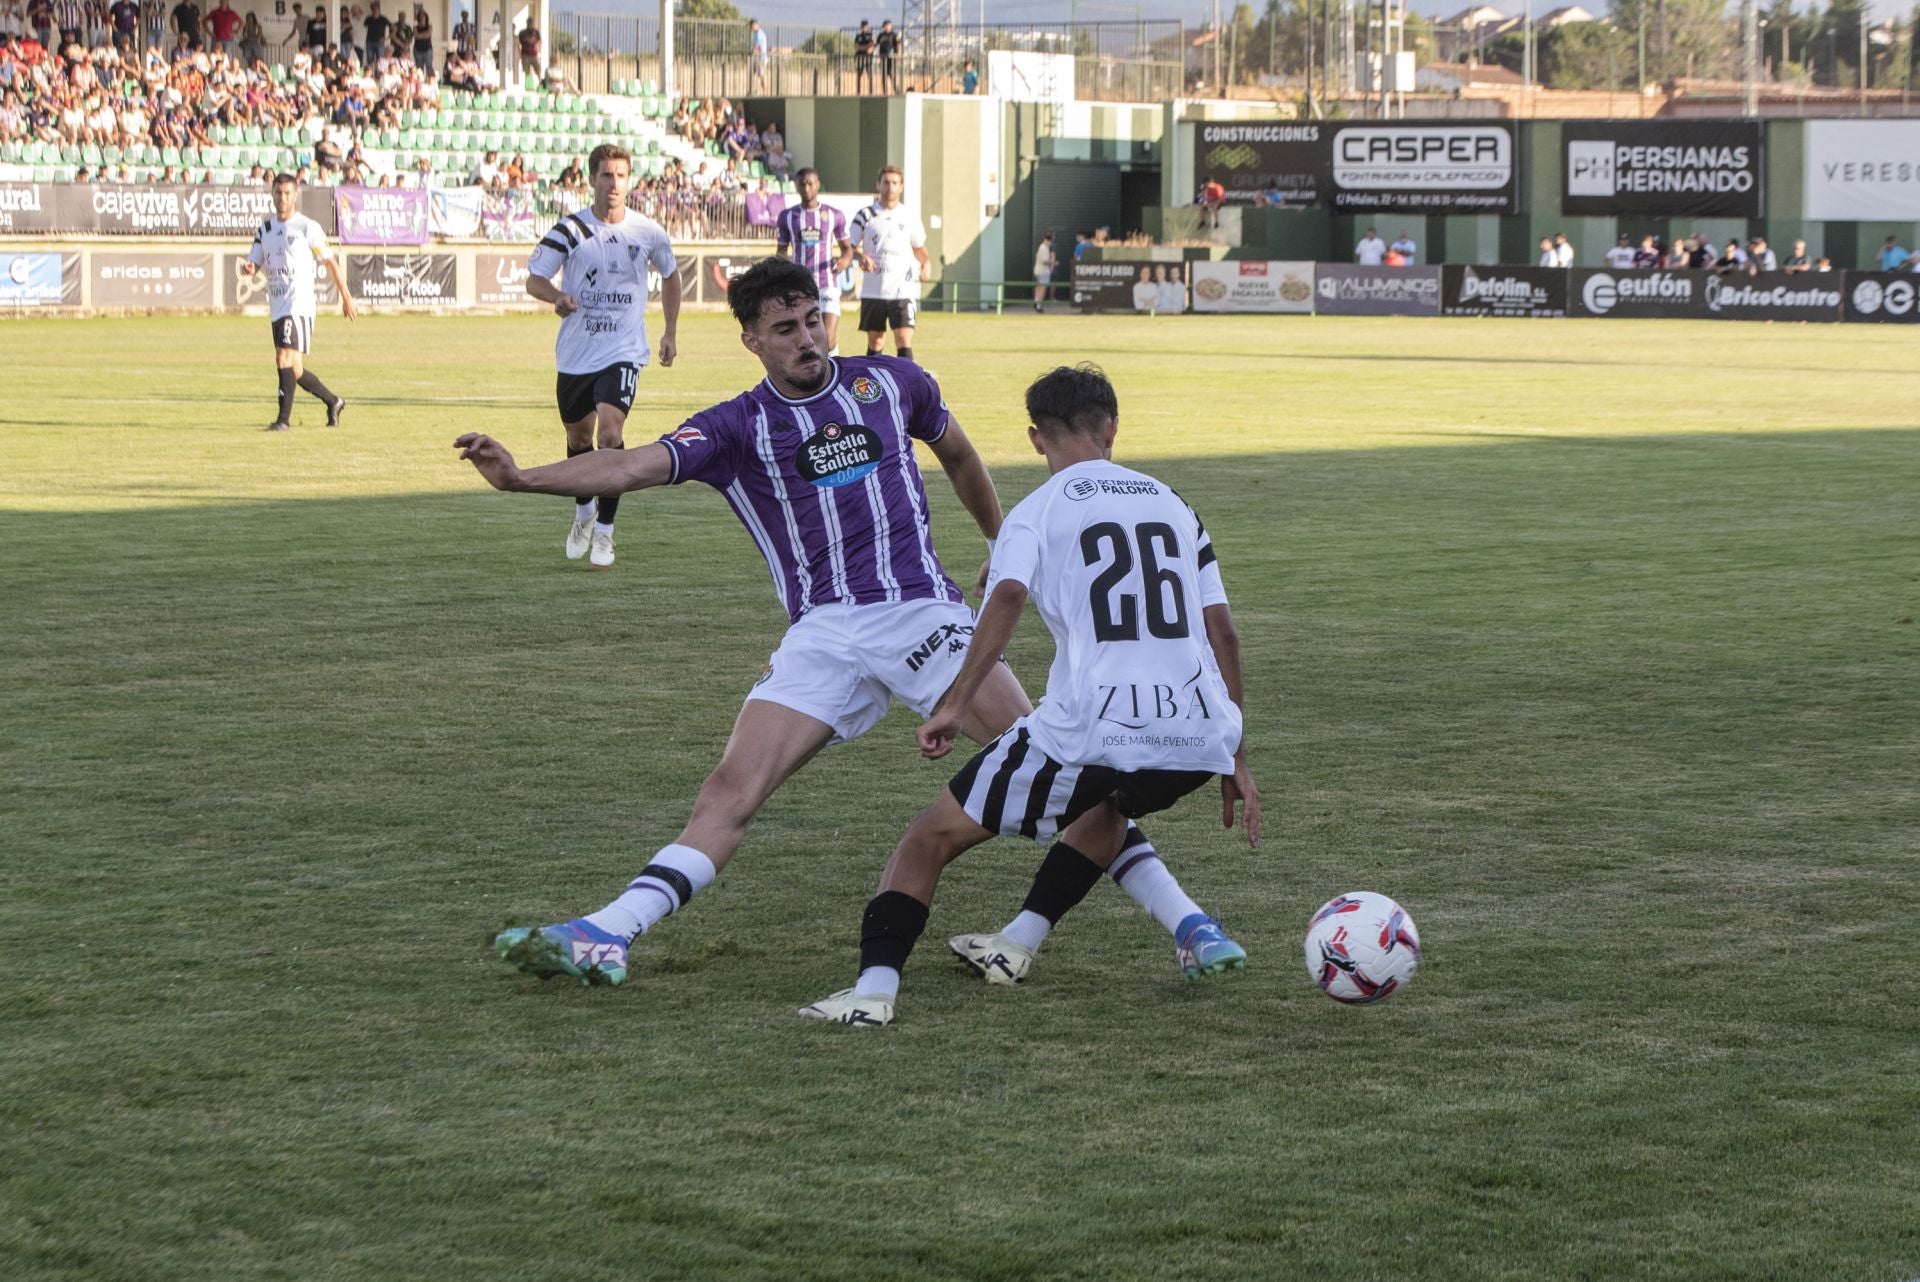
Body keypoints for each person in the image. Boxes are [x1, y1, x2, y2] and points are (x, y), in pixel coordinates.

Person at [456, 259, 1215, 994]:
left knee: (1068, 772)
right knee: (728, 791)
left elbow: (957, 454)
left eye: (814, 319)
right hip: (821, 632)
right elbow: (627, 468)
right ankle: (608, 932)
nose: (807, 338)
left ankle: (1190, 926)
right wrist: (523, 479)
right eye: (785, 328)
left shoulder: (891, 383)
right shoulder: (735, 426)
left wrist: (995, 540)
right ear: (752, 340)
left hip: (922, 614)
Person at [800, 364, 1257, 1027]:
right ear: (1112, 428)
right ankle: (1016, 945)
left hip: (1091, 723)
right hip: (1196, 733)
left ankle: (872, 993)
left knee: (928, 839)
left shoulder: (1037, 510)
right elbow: (1226, 634)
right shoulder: (1175, 505)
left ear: (1035, 437)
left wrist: (956, 703)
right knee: (1106, 807)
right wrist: (1235, 756)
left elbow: (1006, 596)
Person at [523, 143, 679, 570]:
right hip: (576, 354)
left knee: (610, 435)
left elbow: (671, 275)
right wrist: (556, 297)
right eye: (606, 175)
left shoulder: (647, 231)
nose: (613, 183)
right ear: (592, 179)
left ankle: (606, 532)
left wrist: (669, 331)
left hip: (624, 351)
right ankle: (583, 512)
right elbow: (534, 279)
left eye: (621, 175)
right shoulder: (570, 229)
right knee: (578, 440)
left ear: (630, 181)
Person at [244, 172, 355, 431]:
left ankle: (282, 421)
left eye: (287, 193)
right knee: (294, 369)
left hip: (299, 305)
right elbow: (254, 261)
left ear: (295, 195)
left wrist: (346, 297)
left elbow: (330, 262)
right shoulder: (266, 229)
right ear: (272, 194)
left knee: (282, 356)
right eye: (278, 193)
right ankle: (333, 400)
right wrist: (248, 268)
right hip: (277, 305)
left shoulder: (307, 227)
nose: (282, 198)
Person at [841, 163, 930, 363]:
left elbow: (919, 247)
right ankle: (874, 387)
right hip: (874, 290)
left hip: (902, 289)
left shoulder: (909, 216)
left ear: (901, 186)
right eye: (886, 182)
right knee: (876, 342)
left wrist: (926, 262)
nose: (890, 187)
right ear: (878, 185)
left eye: (894, 183)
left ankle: (908, 384)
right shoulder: (865, 215)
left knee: (903, 338)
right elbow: (849, 248)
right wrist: (860, 257)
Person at [774, 166, 851, 355]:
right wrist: (780, 273)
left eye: (810, 183)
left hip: (827, 284)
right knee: (804, 338)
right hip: (799, 286)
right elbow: (782, 251)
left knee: (828, 337)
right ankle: (813, 379)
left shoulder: (834, 215)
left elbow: (847, 248)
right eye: (802, 184)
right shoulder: (787, 216)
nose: (806, 188)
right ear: (797, 186)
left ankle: (834, 377)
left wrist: (844, 261)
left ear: (818, 185)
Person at [1031, 231, 1055, 312]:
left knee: (1038, 286)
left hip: (1038, 270)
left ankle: (1036, 301)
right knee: (1042, 288)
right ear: (1048, 240)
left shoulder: (1041, 247)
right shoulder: (1044, 248)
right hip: (1043, 272)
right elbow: (1044, 261)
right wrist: (1053, 263)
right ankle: (1038, 305)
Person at [875, 17, 898, 92]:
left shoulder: (893, 34)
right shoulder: (881, 35)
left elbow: (897, 45)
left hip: (891, 57)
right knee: (884, 75)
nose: (888, 27)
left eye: (889, 25)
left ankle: (896, 89)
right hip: (882, 56)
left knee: (891, 73)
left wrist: (897, 54)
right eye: (886, 25)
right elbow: (876, 44)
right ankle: (885, 91)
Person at [852, 17, 873, 94]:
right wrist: (864, 48)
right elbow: (856, 46)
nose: (864, 28)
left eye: (865, 26)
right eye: (863, 26)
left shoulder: (870, 35)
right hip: (859, 57)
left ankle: (871, 92)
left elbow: (871, 47)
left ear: (867, 27)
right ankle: (858, 91)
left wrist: (862, 48)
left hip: (868, 58)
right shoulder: (858, 36)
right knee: (859, 75)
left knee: (869, 75)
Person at [746, 16, 766, 92]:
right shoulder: (756, 33)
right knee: (756, 74)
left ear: (755, 25)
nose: (750, 27)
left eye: (751, 26)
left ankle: (764, 91)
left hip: (760, 58)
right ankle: (754, 90)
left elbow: (757, 46)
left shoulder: (759, 33)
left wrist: (751, 52)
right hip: (757, 58)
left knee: (761, 75)